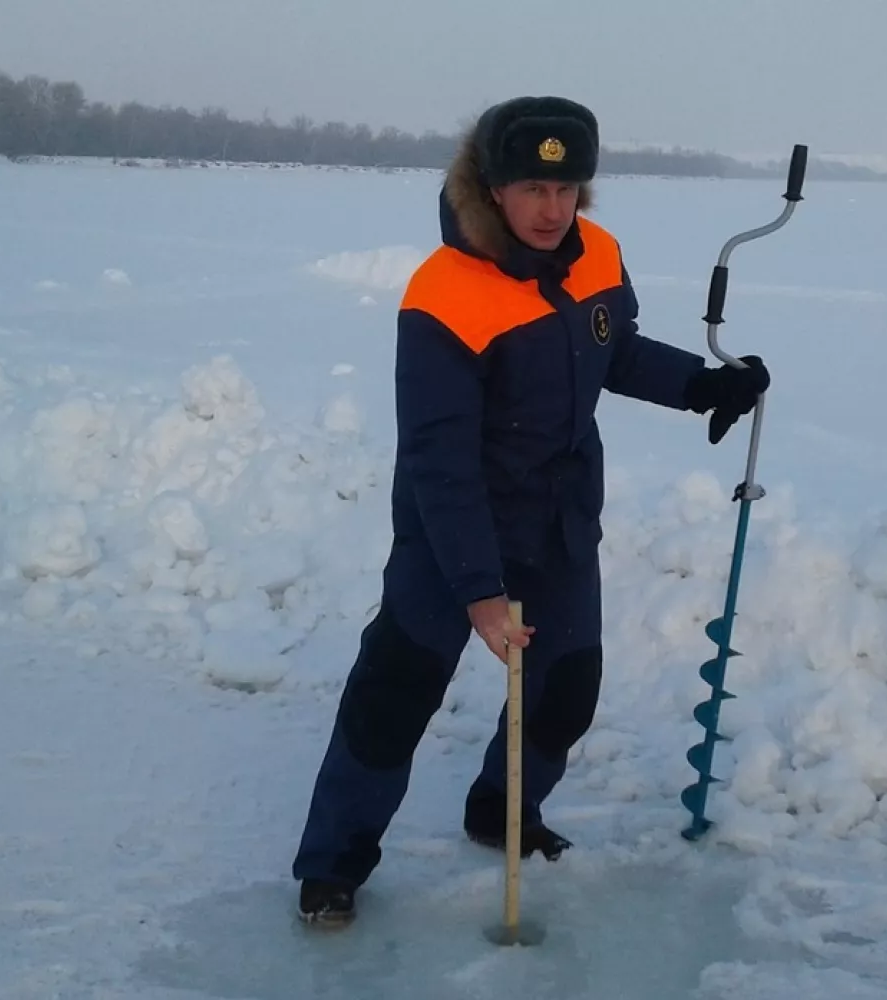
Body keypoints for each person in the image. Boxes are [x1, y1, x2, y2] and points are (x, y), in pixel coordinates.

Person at [290, 95, 770, 927]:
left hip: (559, 518)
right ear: (492, 188)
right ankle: (332, 866)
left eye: (568, 189)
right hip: (455, 532)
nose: (552, 210)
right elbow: (439, 458)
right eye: (532, 189)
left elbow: (612, 348)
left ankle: (501, 810)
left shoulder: (598, 253)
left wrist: (700, 385)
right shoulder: (444, 294)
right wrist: (477, 590)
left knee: (568, 685)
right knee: (396, 691)